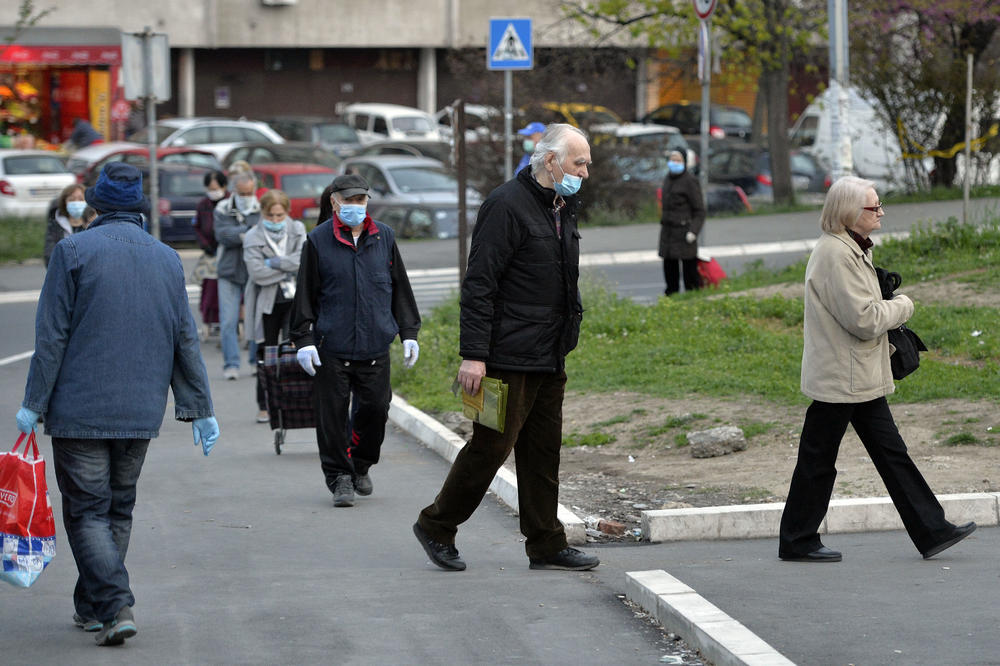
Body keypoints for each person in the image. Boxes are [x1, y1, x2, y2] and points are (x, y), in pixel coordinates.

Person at [15, 162, 219, 646]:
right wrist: (199, 406)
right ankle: (93, 608)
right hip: (139, 411)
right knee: (118, 511)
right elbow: (183, 338)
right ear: (140, 210)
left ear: (95, 206)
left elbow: (52, 337)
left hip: (79, 409)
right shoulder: (167, 258)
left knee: (87, 512)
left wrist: (32, 403)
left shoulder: (72, 251)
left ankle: (115, 603)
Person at [413, 123, 599, 573]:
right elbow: (480, 285)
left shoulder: (561, 204)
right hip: (503, 357)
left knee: (543, 452)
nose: (586, 173)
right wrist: (473, 354)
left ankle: (547, 544)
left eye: (587, 164)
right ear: (551, 161)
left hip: (548, 354)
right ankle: (437, 525)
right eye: (580, 163)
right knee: (490, 448)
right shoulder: (505, 206)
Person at [778, 176, 976, 563]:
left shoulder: (851, 249)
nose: (881, 212)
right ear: (851, 213)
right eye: (875, 207)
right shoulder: (836, 254)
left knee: (889, 455)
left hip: (856, 375)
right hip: (843, 377)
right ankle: (797, 540)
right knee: (820, 460)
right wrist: (904, 305)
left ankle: (932, 529)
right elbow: (864, 320)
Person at [290, 174, 421, 508]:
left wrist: (408, 332)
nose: (354, 206)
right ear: (334, 202)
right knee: (332, 416)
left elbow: (399, 288)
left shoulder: (384, 237)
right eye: (348, 201)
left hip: (375, 345)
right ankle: (339, 478)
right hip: (331, 346)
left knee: (375, 410)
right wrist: (303, 338)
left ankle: (361, 464)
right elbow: (305, 294)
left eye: (360, 200)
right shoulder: (318, 241)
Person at [244, 189, 307, 423]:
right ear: (263, 213)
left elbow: (303, 261)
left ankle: (294, 401)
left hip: (295, 300)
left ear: (287, 213)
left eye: (280, 216)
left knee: (295, 348)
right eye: (271, 216)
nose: (276, 221)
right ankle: (265, 404)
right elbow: (257, 273)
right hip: (267, 303)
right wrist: (287, 268)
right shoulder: (253, 236)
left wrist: (276, 263)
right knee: (267, 353)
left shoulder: (297, 229)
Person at [214, 171, 261, 379]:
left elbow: (262, 235)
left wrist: (240, 233)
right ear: (234, 191)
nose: (246, 196)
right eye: (242, 193)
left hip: (253, 270)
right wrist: (248, 231)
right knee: (228, 321)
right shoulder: (222, 208)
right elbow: (223, 236)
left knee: (254, 319)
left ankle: (254, 362)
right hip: (228, 271)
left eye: (249, 192)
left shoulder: (261, 207)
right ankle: (231, 364)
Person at [658, 150, 705, 295]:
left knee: (689, 271)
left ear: (684, 162)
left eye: (678, 160)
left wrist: (693, 231)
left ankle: (693, 298)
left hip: (685, 232)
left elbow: (699, 211)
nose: (674, 163)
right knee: (669, 269)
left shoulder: (690, 181)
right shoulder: (667, 178)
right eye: (672, 159)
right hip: (668, 232)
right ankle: (671, 299)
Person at [193, 170, 227, 338]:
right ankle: (208, 318)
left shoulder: (230, 203)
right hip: (210, 253)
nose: (213, 191)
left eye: (216, 188)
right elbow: (197, 226)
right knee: (209, 287)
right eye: (210, 188)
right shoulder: (203, 205)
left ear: (223, 186)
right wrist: (205, 245)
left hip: (228, 252)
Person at [43, 183, 89, 267]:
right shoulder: (55, 225)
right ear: (64, 203)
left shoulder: (95, 225)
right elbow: (49, 254)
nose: (76, 203)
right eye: (71, 199)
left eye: (81, 199)